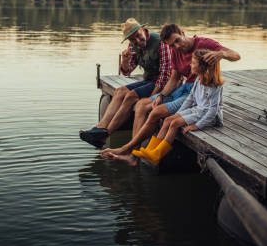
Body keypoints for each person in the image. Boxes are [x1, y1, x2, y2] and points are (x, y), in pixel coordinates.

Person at [102, 23, 239, 165]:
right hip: (184, 88)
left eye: (177, 41)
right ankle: (133, 155)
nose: (176, 47)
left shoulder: (204, 44)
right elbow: (174, 78)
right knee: (142, 104)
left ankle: (127, 150)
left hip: (196, 91)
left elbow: (236, 55)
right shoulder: (175, 51)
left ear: (183, 32)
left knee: (156, 113)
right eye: (172, 45)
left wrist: (221, 54)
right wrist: (161, 95)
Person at [79, 18, 172, 148]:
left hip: (164, 84)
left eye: (138, 36)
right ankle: (100, 128)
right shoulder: (132, 46)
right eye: (133, 39)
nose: (137, 41)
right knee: (120, 91)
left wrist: (153, 97)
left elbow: (165, 76)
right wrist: (125, 61)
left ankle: (105, 135)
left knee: (131, 96)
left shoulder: (160, 42)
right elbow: (126, 72)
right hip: (149, 80)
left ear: (143, 30)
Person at [132, 48, 225, 166]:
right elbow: (190, 99)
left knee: (174, 123)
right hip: (198, 110)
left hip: (210, 117)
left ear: (202, 67)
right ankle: (151, 150)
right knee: (168, 120)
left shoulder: (214, 86)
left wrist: (197, 126)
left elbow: (213, 110)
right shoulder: (198, 80)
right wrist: (178, 113)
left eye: (193, 63)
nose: (190, 64)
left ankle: (157, 155)